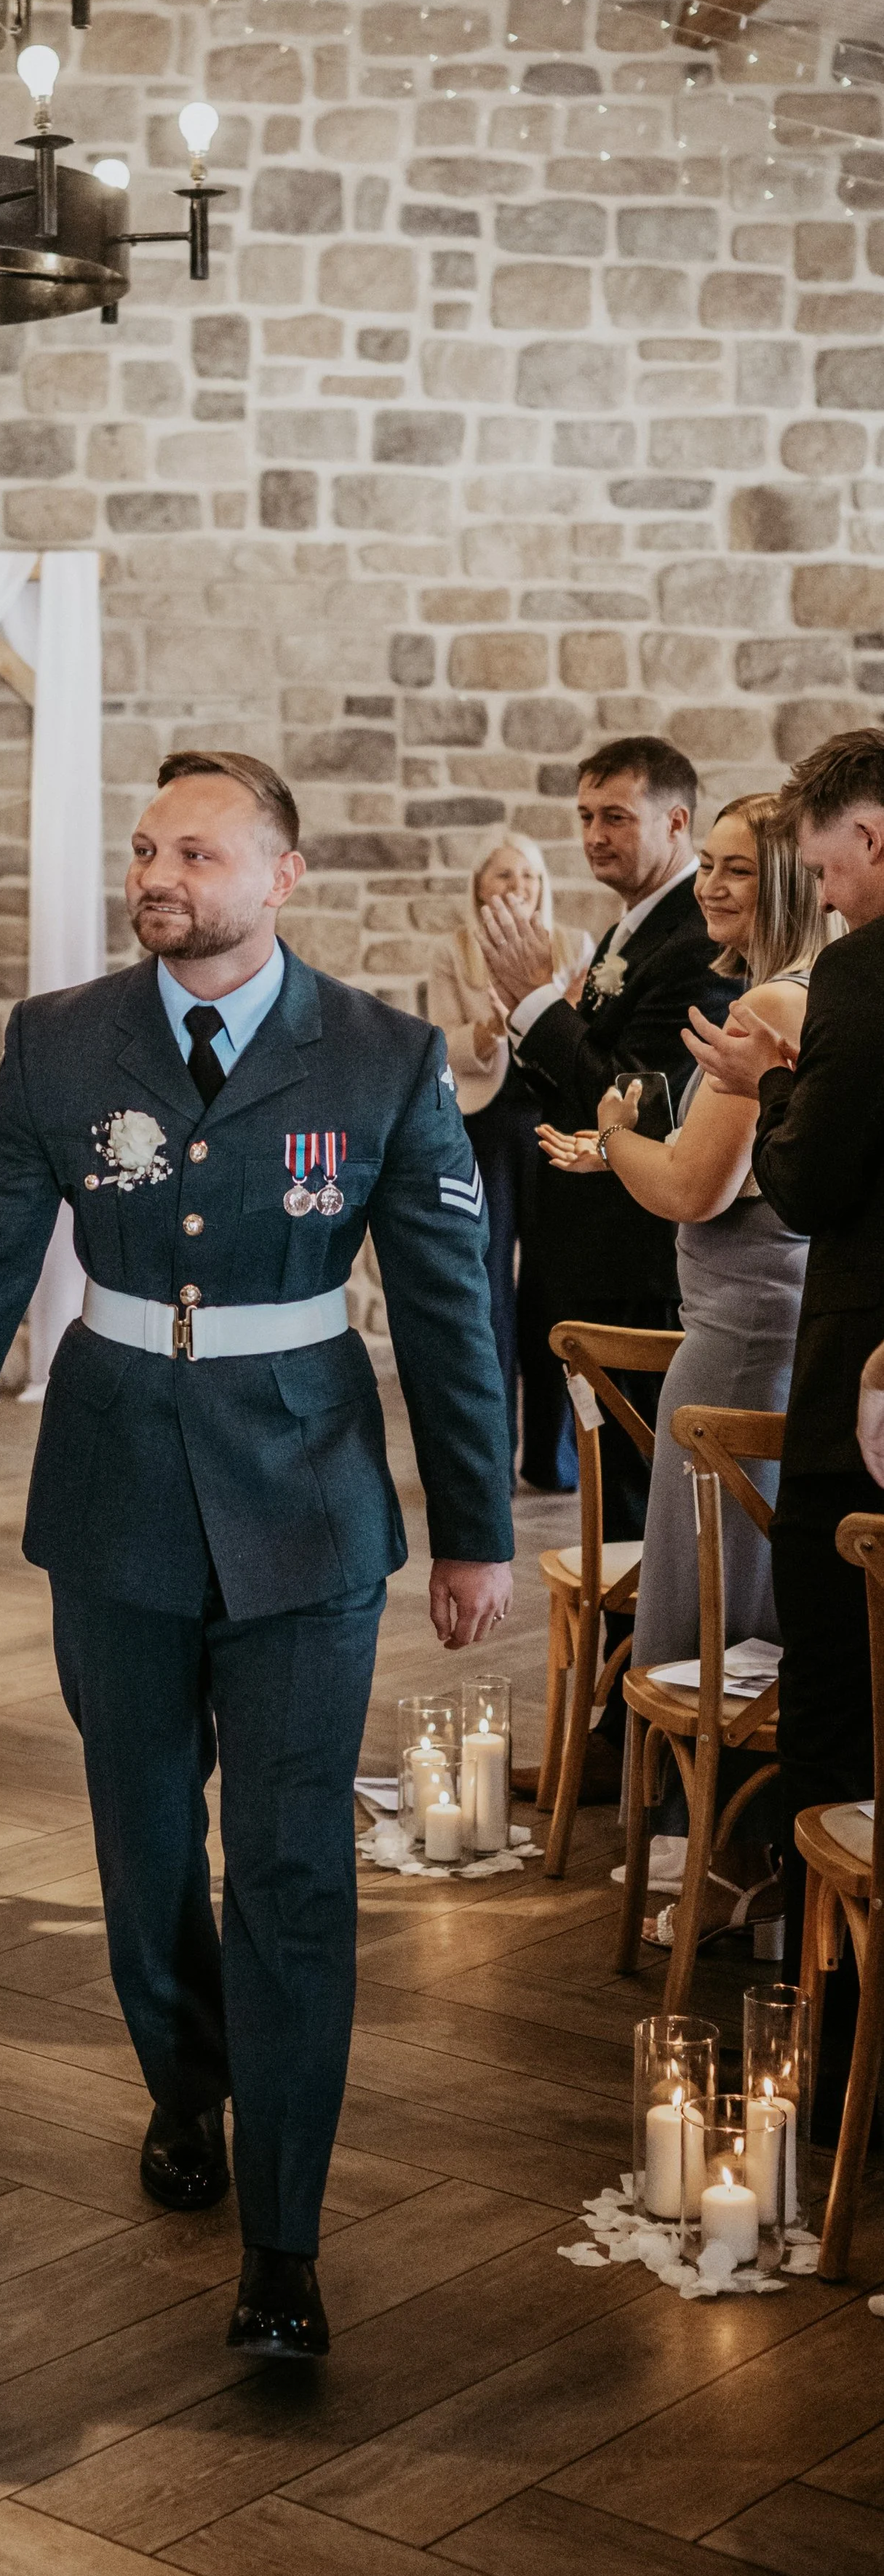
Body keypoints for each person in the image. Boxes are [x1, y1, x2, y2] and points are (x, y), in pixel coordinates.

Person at [0, 751, 515, 2360]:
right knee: (146, 1846)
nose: (158, 873)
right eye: (147, 847)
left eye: (197, 853)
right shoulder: (57, 1040)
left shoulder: (381, 1057)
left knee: (292, 1873)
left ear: (280, 878)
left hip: (305, 1500)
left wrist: (472, 1527)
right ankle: (186, 2087)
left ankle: (283, 2245)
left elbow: (448, 1306)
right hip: (113, 1493)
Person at [540, 791, 829, 1940]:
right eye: (705, 867)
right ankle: (745, 1861)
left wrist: (617, 1136)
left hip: (739, 1340)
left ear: (795, 882)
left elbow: (694, 1188)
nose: (711, 888)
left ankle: (729, 1867)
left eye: (739, 872)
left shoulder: (768, 1000)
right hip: (767, 1321)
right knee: (748, 1598)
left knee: (719, 1611)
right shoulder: (819, 991)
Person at [478, 736, 735, 1803]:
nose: (592, 836)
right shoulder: (638, 929)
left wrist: (541, 1005)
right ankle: (612, 1737)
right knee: (620, 1513)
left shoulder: (689, 941)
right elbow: (596, 1102)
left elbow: (631, 1098)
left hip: (636, 1263)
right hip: (588, 1245)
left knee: (638, 1519)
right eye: (584, 814)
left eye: (615, 816)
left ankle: (635, 1752)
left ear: (677, 822)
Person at [685, 732, 884, 2104]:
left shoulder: (864, 974)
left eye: (826, 864)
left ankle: (832, 2029)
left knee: (837, 1710)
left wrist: (766, 1079)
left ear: (869, 840)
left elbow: (808, 1187)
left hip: (857, 1399)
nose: (827, 889)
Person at [427, 833, 589, 1492]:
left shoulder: (575, 946)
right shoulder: (452, 951)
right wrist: (493, 1028)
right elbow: (444, 1044)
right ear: (480, 885)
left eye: (528, 874)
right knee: (486, 1287)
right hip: (484, 1125)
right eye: (503, 875)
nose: (516, 885)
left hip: (555, 1124)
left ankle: (553, 1459)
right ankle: (490, 1457)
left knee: (552, 1284)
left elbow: (578, 1039)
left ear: (542, 884)